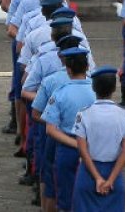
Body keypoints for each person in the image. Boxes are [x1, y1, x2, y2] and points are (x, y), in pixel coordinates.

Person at [72, 66, 125, 212]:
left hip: (88, 172)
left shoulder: (84, 114)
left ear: (93, 88)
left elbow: (82, 149)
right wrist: (111, 180)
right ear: (114, 88)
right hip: (114, 171)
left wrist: (97, 178)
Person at [42, 47, 96, 212]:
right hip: (94, 147)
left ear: (68, 69)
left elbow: (50, 129)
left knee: (66, 198)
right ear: (87, 67)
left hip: (67, 147)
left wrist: (75, 144)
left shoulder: (60, 93)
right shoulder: (96, 89)